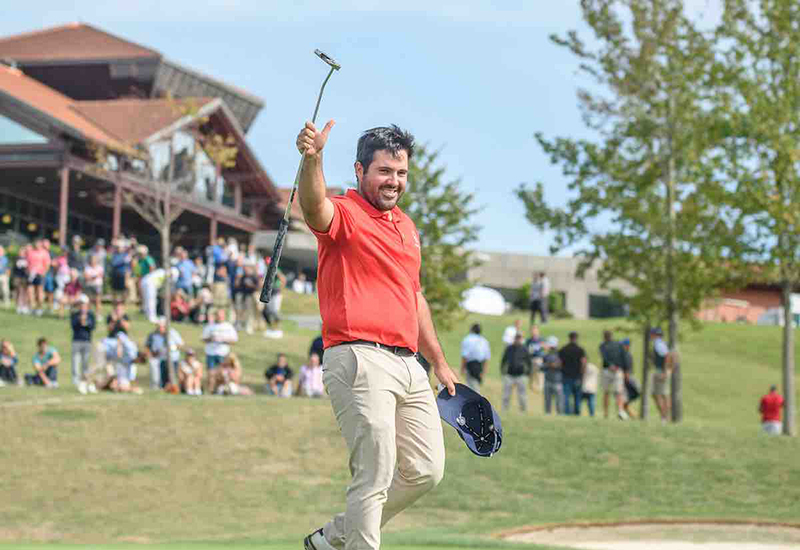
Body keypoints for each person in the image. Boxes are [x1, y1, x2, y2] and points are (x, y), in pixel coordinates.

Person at [296, 122, 457, 550]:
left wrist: (438, 361)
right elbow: (313, 208)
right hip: (358, 356)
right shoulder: (344, 212)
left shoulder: (406, 227)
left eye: (401, 173)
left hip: (410, 364)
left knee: (426, 469)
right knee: (376, 472)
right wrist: (312, 158)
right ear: (359, 170)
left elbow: (415, 296)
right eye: (385, 172)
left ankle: (334, 537)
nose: (395, 182)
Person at [145, 317, 184, 390]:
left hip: (173, 358)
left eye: (161, 326)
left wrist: (172, 348)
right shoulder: (153, 335)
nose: (160, 328)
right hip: (161, 358)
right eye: (158, 326)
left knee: (172, 376)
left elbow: (180, 344)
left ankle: (172, 388)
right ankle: (162, 388)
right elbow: (149, 347)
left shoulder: (172, 333)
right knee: (162, 377)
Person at [599, 330, 628, 420]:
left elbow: (604, 357)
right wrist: (624, 369)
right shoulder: (619, 345)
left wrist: (611, 365)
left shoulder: (603, 345)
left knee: (607, 392)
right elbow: (624, 357)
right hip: (617, 370)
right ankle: (619, 410)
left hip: (607, 370)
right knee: (618, 392)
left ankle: (606, 413)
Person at [70, 294, 96, 394]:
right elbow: (73, 326)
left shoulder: (91, 315)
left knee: (86, 363)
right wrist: (79, 320)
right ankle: (75, 381)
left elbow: (92, 327)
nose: (83, 307)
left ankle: (85, 380)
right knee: (76, 362)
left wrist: (87, 322)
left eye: (84, 305)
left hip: (87, 341)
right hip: (76, 340)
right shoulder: (75, 315)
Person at [500, 331, 531, 412]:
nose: (518, 340)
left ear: (521, 339)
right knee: (506, 395)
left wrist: (528, 373)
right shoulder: (509, 348)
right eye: (517, 338)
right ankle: (504, 410)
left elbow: (529, 362)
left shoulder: (524, 349)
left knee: (522, 395)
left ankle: (523, 411)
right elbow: (504, 360)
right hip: (509, 375)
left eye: (519, 338)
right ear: (514, 339)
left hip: (521, 375)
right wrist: (502, 371)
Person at [202, 308, 238, 374]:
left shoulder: (228, 326)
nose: (220, 317)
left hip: (223, 354)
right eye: (218, 316)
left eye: (221, 316)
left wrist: (224, 340)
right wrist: (211, 339)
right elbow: (203, 339)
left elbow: (234, 340)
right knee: (211, 374)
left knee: (222, 374)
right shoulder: (209, 326)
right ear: (215, 316)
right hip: (211, 354)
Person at [558, 331, 586, 415]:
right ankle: (577, 412)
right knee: (577, 396)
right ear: (576, 338)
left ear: (569, 338)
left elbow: (560, 362)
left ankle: (567, 412)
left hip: (566, 375)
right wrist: (582, 374)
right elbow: (583, 362)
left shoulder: (563, 349)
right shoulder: (580, 349)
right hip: (577, 376)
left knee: (566, 395)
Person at [460, 323, 491, 392]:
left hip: (471, 365)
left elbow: (464, 355)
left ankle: (475, 401)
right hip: (480, 366)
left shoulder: (468, 339)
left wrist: (462, 368)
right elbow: (487, 358)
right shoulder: (484, 341)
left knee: (471, 387)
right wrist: (484, 371)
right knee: (475, 386)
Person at [650, 327, 671, 424]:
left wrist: (665, 372)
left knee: (660, 394)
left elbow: (667, 356)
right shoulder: (660, 343)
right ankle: (665, 417)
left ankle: (664, 418)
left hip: (660, 371)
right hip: (661, 371)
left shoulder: (658, 344)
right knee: (661, 394)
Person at [262, 258, 287, 338]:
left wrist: (281, 288)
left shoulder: (275, 268)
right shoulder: (266, 269)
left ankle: (278, 327)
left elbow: (282, 278)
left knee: (275, 311)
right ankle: (272, 327)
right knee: (268, 311)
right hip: (270, 293)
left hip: (276, 293)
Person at [26, 239, 51, 316]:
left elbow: (47, 264)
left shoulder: (44, 253)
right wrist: (28, 271)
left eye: (38, 243)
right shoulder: (31, 252)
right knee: (30, 291)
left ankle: (39, 308)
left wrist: (44, 272)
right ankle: (31, 307)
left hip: (40, 274)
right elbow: (28, 263)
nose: (37, 245)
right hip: (31, 274)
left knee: (39, 291)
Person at [541, 336, 563, 415]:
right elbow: (542, 368)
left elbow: (561, 366)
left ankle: (559, 415)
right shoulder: (545, 355)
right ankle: (548, 414)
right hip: (548, 380)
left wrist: (554, 365)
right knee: (547, 401)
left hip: (558, 381)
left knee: (559, 402)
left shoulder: (560, 355)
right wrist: (549, 365)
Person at [620, 338, 640, 419]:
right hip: (626, 378)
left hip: (627, 379)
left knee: (626, 399)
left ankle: (630, 415)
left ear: (627, 346)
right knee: (625, 401)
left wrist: (626, 380)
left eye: (623, 345)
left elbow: (627, 369)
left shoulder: (626, 355)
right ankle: (630, 416)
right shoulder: (626, 354)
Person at [525, 324, 544, 390]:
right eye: (532, 330)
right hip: (531, 358)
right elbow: (526, 349)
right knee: (531, 373)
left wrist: (541, 346)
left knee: (539, 373)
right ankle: (531, 386)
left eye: (535, 330)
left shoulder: (541, 339)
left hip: (539, 358)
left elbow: (545, 347)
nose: (533, 332)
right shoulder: (529, 340)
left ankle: (540, 387)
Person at [13, 243, 30, 314]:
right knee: (19, 291)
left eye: (22, 251)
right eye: (20, 251)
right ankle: (19, 306)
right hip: (17, 277)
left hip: (25, 277)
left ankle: (25, 306)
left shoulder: (27, 258)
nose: (21, 252)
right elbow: (14, 268)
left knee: (25, 292)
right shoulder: (16, 258)